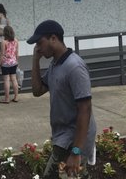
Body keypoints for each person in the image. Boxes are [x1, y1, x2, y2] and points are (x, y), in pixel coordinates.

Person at [29, 20, 96, 179]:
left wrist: (76, 151)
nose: (38, 47)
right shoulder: (56, 65)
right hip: (63, 137)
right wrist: (35, 60)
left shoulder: (74, 67)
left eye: (40, 42)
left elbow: (85, 109)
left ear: (53, 38)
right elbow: (37, 90)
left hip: (73, 140)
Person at [0, 25, 19, 104]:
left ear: (5, 33)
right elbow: (17, 53)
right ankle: (16, 97)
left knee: (6, 80)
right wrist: (17, 62)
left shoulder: (4, 42)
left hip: (6, 63)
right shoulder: (16, 41)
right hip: (14, 63)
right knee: (14, 79)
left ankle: (7, 98)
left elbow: (2, 54)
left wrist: (0, 64)